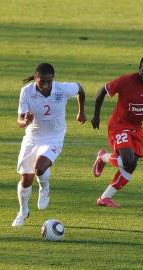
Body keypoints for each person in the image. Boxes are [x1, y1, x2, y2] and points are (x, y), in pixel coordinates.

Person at [12, 63, 86, 227]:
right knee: (26, 180)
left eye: (48, 81)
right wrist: (25, 121)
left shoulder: (62, 89)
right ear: (35, 78)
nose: (45, 85)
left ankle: (44, 189)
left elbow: (80, 89)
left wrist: (81, 111)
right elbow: (20, 120)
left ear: (53, 79)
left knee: (40, 168)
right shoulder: (27, 92)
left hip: (54, 137)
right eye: (42, 81)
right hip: (32, 138)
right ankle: (23, 211)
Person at [91, 56, 143, 208]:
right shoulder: (126, 81)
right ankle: (102, 157)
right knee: (127, 160)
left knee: (131, 166)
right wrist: (96, 115)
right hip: (119, 125)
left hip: (136, 128)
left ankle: (104, 198)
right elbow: (101, 91)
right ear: (139, 69)